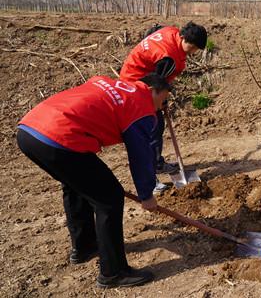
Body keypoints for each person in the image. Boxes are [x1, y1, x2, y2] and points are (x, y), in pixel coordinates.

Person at [16, 74, 171, 288]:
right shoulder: (141, 105)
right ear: (153, 89)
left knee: (76, 185)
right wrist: (146, 194)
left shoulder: (111, 82)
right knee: (109, 198)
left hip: (30, 130)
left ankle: (85, 246)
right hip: (59, 136)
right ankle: (114, 273)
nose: (161, 108)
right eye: (163, 100)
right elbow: (140, 154)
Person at [120, 21, 207, 192]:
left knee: (156, 126)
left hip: (136, 76)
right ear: (184, 38)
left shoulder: (171, 32)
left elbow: (152, 32)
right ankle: (149, 180)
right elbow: (157, 83)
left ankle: (157, 163)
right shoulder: (169, 58)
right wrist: (161, 101)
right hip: (136, 85)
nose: (193, 51)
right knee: (151, 129)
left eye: (196, 49)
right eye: (192, 47)